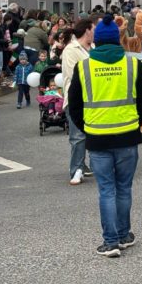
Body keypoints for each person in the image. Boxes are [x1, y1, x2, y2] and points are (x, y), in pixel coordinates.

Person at [68, 14, 142, 257]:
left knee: (106, 190)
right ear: (117, 40)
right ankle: (124, 235)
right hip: (127, 134)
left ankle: (111, 241)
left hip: (97, 136)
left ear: (97, 41)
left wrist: (87, 127)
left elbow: (74, 105)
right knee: (124, 188)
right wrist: (135, 124)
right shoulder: (132, 64)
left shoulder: (84, 66)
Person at [62, 20, 94, 185]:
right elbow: (73, 74)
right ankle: (76, 169)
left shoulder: (94, 47)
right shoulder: (70, 49)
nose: (95, 32)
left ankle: (90, 165)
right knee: (78, 137)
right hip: (76, 99)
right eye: (93, 29)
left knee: (94, 133)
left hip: (94, 98)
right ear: (87, 31)